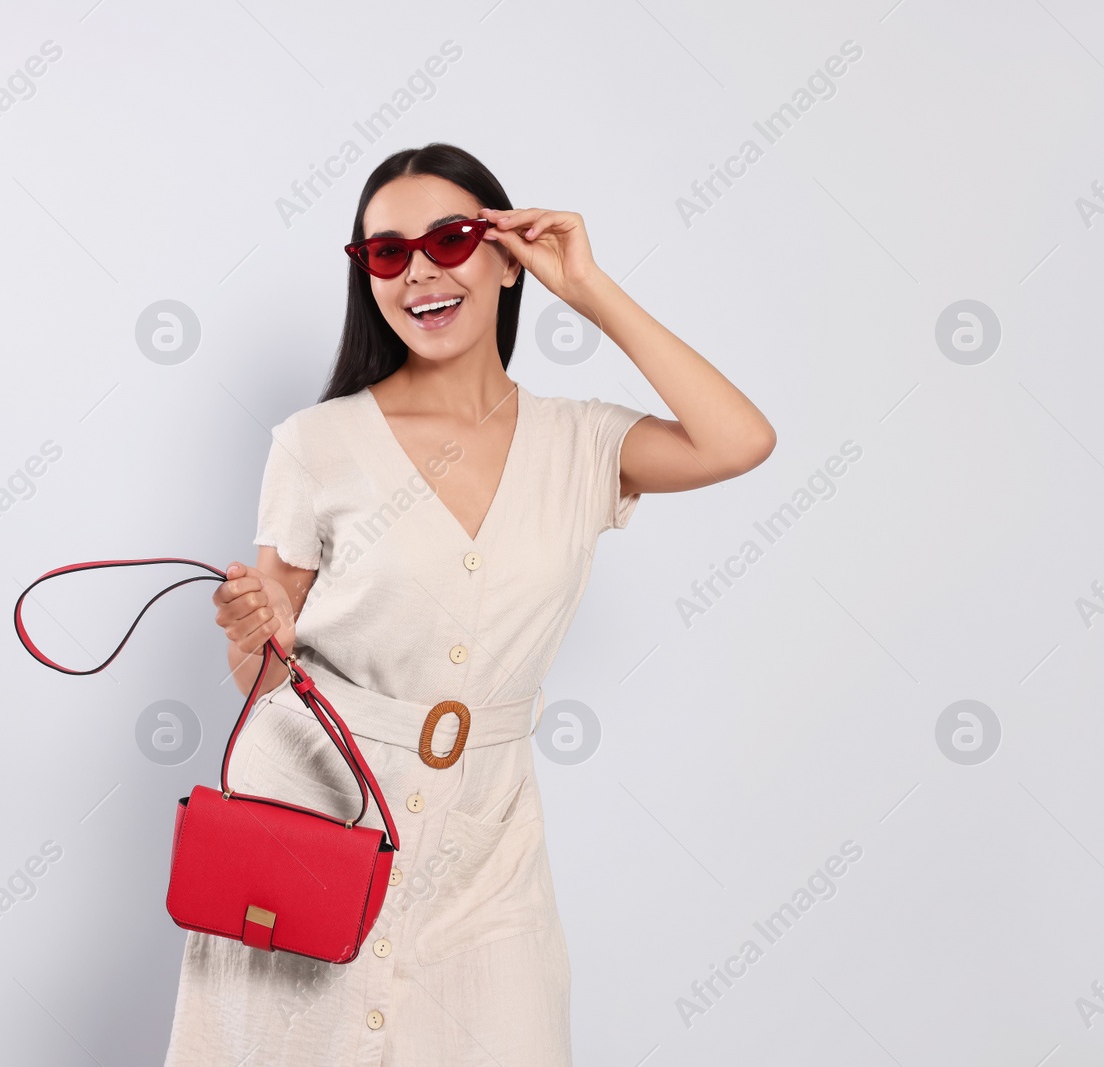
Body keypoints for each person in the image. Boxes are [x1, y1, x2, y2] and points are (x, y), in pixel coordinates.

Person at [163, 142, 775, 1065]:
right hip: (313, 821)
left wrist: (590, 289)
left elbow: (740, 440)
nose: (420, 271)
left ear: (505, 257)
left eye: (451, 238)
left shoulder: (580, 443)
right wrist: (254, 635)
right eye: (386, 253)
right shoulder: (315, 444)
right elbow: (264, 670)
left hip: (488, 850)